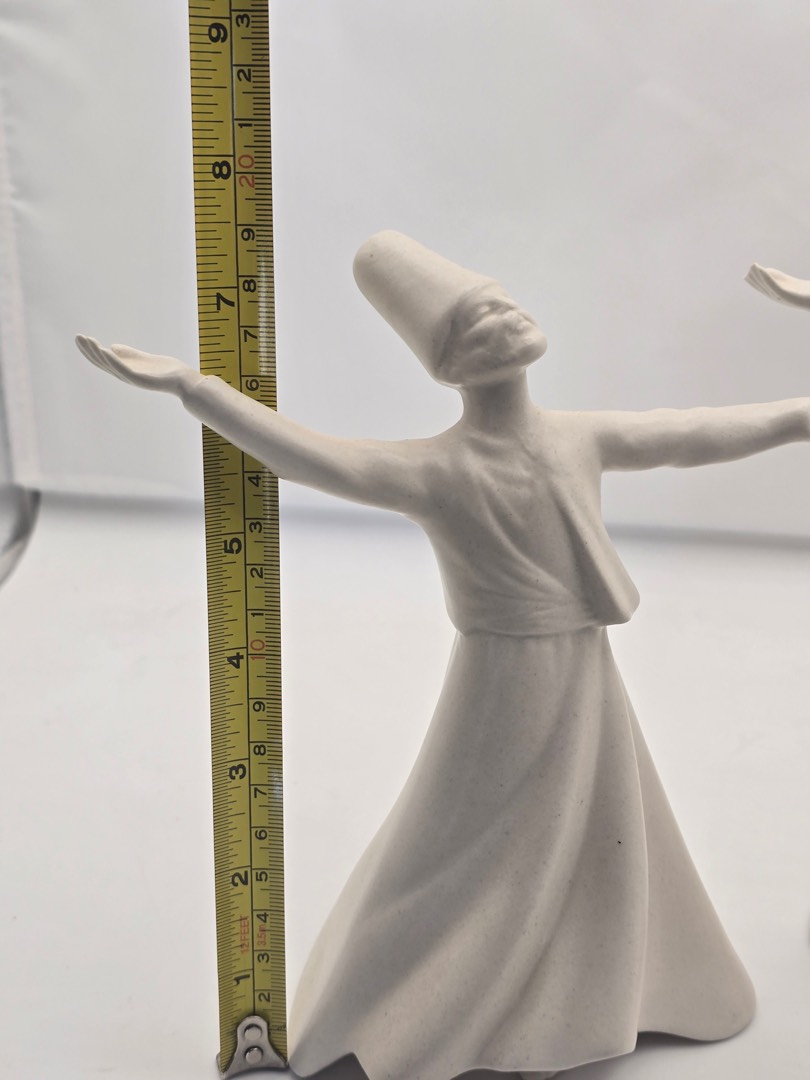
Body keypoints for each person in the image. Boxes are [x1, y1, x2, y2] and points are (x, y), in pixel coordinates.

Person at [76, 235, 809, 1080]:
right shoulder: (436, 469)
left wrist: (796, 417)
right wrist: (194, 388)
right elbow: (315, 456)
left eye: (503, 301)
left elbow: (689, 432)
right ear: (449, 364)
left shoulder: (580, 437)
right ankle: (417, 1011)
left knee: (596, 820)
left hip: (583, 663)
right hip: (505, 675)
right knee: (477, 842)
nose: (506, 318)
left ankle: (600, 995)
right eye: (475, 320)